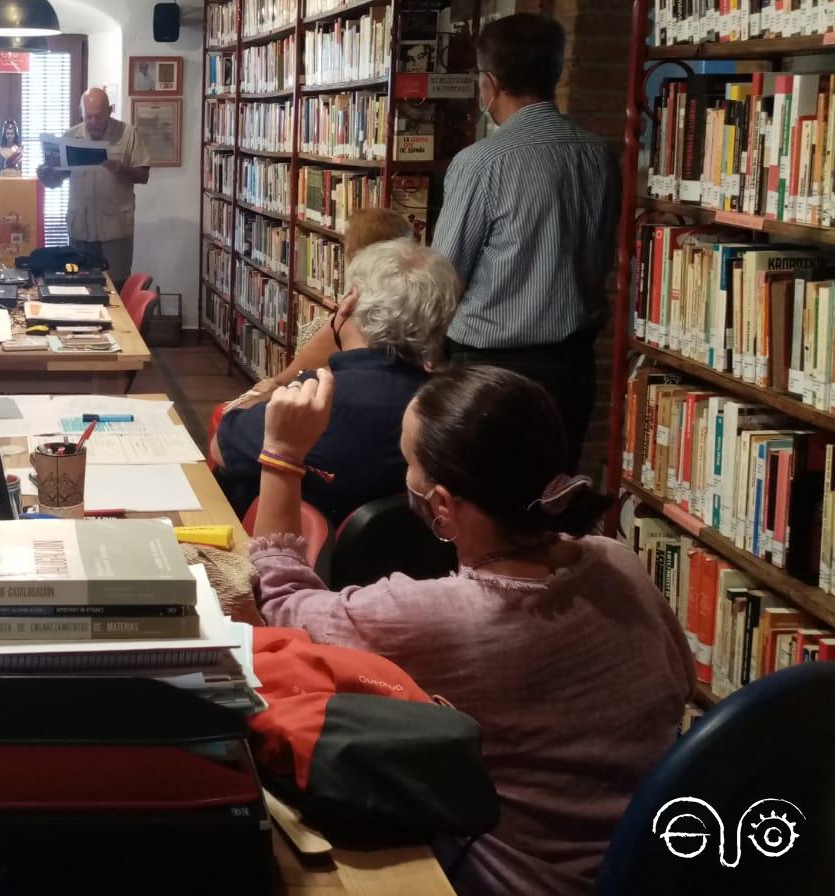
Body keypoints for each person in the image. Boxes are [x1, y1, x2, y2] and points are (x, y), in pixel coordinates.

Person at [248, 366, 692, 896]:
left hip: (518, 877)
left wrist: (282, 454)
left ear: (440, 506)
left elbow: (280, 602)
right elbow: (681, 682)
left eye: (408, 462)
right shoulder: (620, 564)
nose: (403, 476)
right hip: (658, 864)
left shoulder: (443, 615)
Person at [432, 13, 618, 470]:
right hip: (572, 365)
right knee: (553, 491)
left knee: (485, 494)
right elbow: (601, 252)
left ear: (490, 83)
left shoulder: (480, 163)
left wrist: (430, 349)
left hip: (490, 366)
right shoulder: (599, 154)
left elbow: (445, 272)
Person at [210, 239, 459, 523]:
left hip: (285, 553)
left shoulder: (315, 398)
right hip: (404, 563)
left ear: (350, 301)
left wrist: (266, 395)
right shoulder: (447, 406)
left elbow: (220, 448)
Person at [226, 207, 415, 410]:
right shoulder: (418, 301)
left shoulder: (352, 312)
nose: (342, 245)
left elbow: (299, 372)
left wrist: (273, 388)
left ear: (359, 252)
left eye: (346, 243)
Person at [35, 87, 150, 282]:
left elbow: (143, 175)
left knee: (116, 286)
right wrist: (45, 175)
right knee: (81, 285)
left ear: (110, 111)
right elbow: (56, 181)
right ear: (81, 113)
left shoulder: (127, 134)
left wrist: (120, 169)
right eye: (89, 117)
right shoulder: (70, 137)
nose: (93, 122)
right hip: (80, 228)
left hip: (115, 231)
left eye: (99, 116)